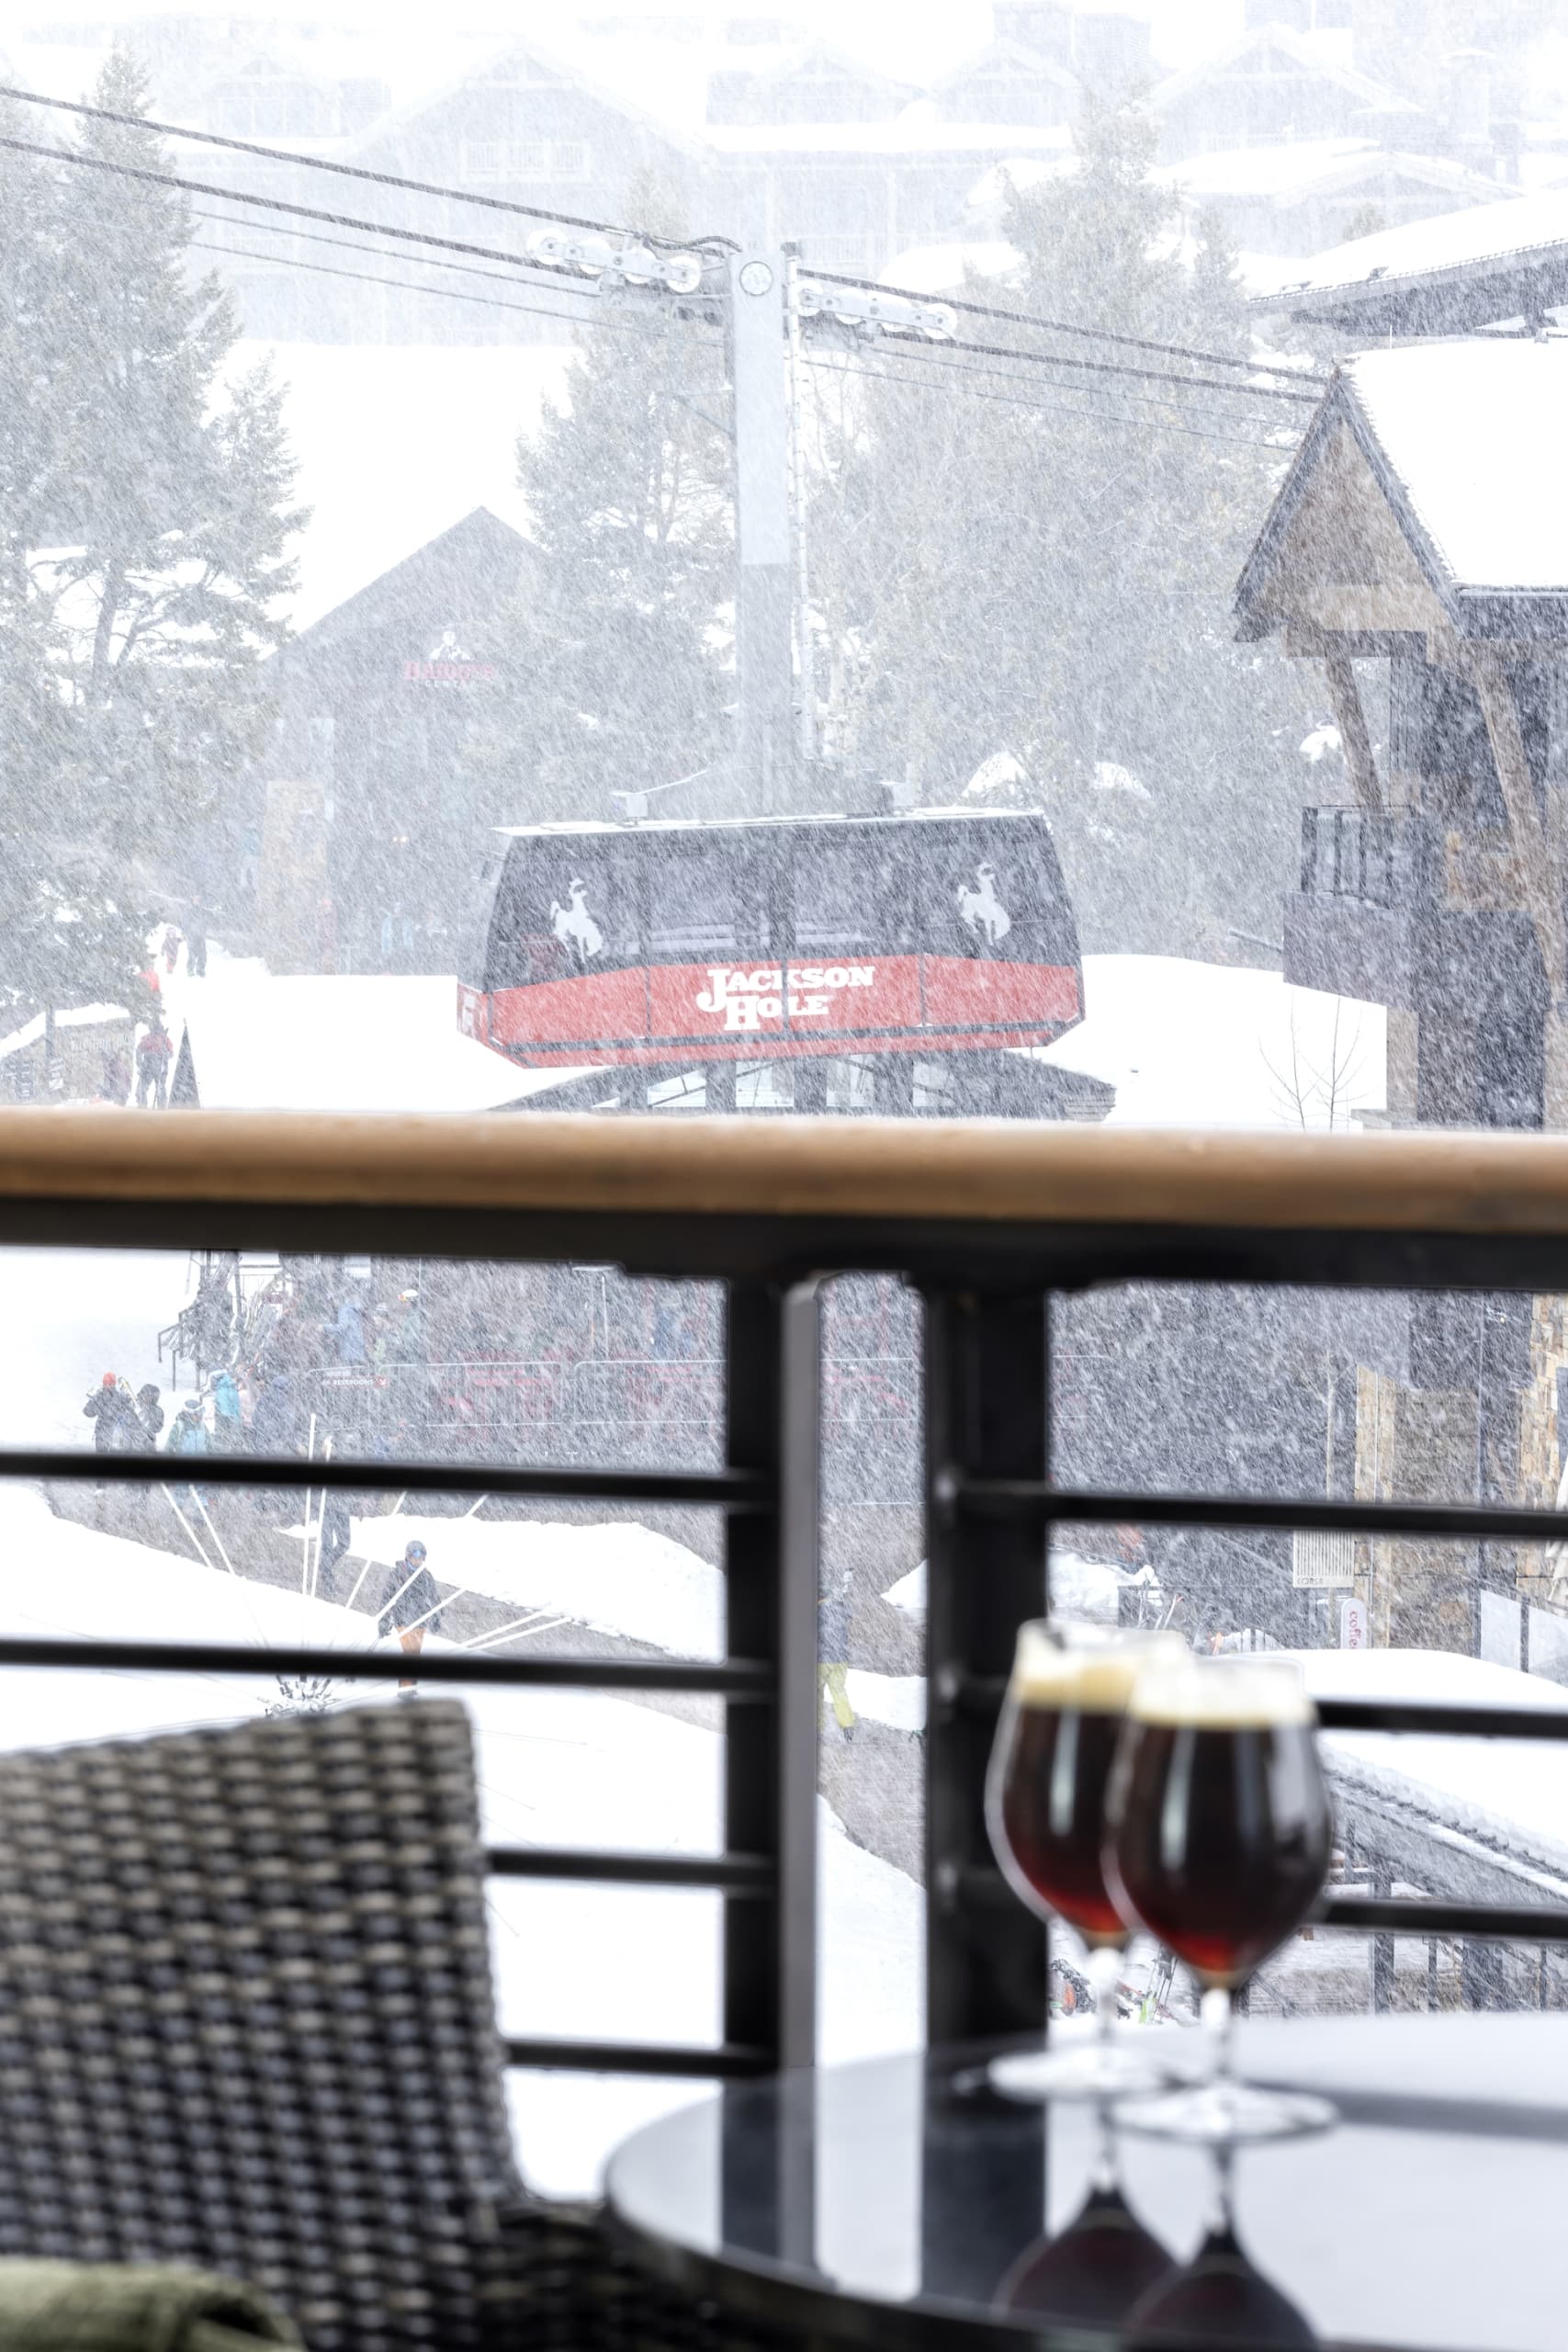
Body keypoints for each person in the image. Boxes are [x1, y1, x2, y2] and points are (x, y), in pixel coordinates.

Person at [379, 1539, 442, 1690]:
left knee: (415, 1654)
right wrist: (384, 1619)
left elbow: (434, 1598)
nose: (417, 1561)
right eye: (414, 1557)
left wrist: (436, 1616)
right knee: (410, 1652)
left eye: (421, 1558)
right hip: (403, 1619)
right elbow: (387, 1596)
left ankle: (410, 1685)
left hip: (420, 1621)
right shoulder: (398, 1574)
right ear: (407, 1557)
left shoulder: (426, 1577)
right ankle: (405, 1688)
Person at [818, 1566, 856, 1741]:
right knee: (839, 1692)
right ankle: (848, 1726)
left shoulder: (818, 1611)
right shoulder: (840, 1609)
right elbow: (849, 1611)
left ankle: (817, 1727)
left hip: (822, 1660)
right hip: (841, 1659)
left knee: (817, 1692)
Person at [165, 1395, 209, 1516]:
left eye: (201, 1413)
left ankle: (200, 1516)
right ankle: (177, 1513)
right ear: (189, 1414)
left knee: (201, 1491)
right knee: (181, 1491)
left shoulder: (203, 1428)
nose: (200, 1416)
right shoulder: (179, 1427)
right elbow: (169, 1448)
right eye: (197, 1413)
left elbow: (210, 1447)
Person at [135, 1019, 173, 1110]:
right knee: (142, 1089)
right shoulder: (149, 1038)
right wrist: (139, 1063)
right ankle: (143, 1107)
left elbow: (171, 1053)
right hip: (148, 1066)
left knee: (159, 1089)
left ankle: (160, 1108)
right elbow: (139, 1050)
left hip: (160, 1066)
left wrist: (166, 1054)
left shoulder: (164, 1039)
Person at [186, 910, 208, 979]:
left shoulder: (203, 909)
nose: (197, 899)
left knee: (203, 954)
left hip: (201, 936)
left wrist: (203, 930)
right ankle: (190, 969)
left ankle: (200, 969)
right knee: (192, 954)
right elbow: (184, 921)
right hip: (192, 936)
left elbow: (205, 923)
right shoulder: (189, 909)